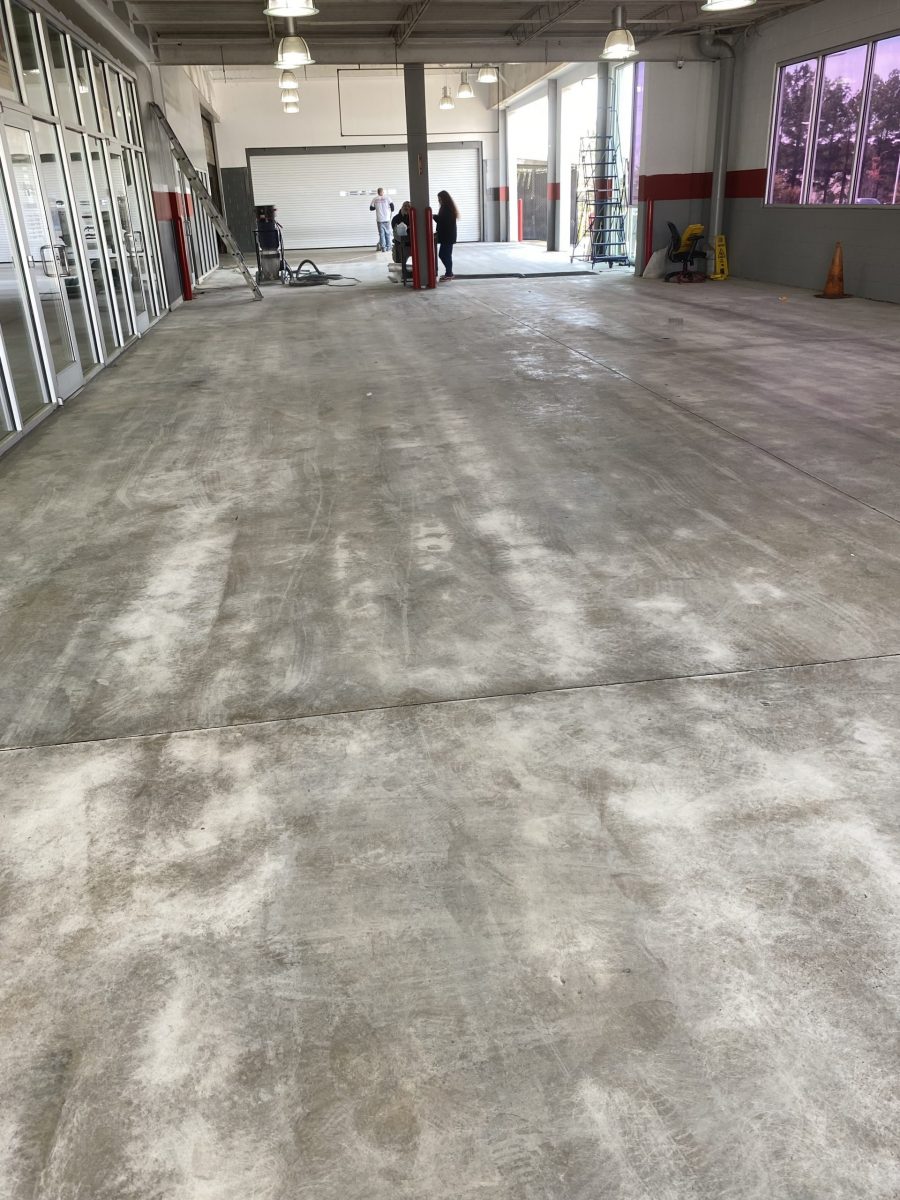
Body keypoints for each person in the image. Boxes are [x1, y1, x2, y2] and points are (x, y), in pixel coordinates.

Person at [433, 190, 459, 281]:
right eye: (438, 199)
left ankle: (449, 273)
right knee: (445, 255)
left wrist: (434, 217)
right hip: (447, 236)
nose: (439, 201)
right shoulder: (446, 207)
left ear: (445, 199)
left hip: (448, 236)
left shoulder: (447, 208)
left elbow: (443, 221)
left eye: (440, 199)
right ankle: (449, 273)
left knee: (444, 255)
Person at [369, 187, 394, 252]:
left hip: (379, 219)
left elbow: (371, 208)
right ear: (383, 192)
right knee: (387, 233)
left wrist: (377, 207)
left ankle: (383, 248)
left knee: (381, 234)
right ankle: (388, 247)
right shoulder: (387, 198)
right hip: (387, 218)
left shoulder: (375, 199)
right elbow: (392, 208)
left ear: (378, 192)